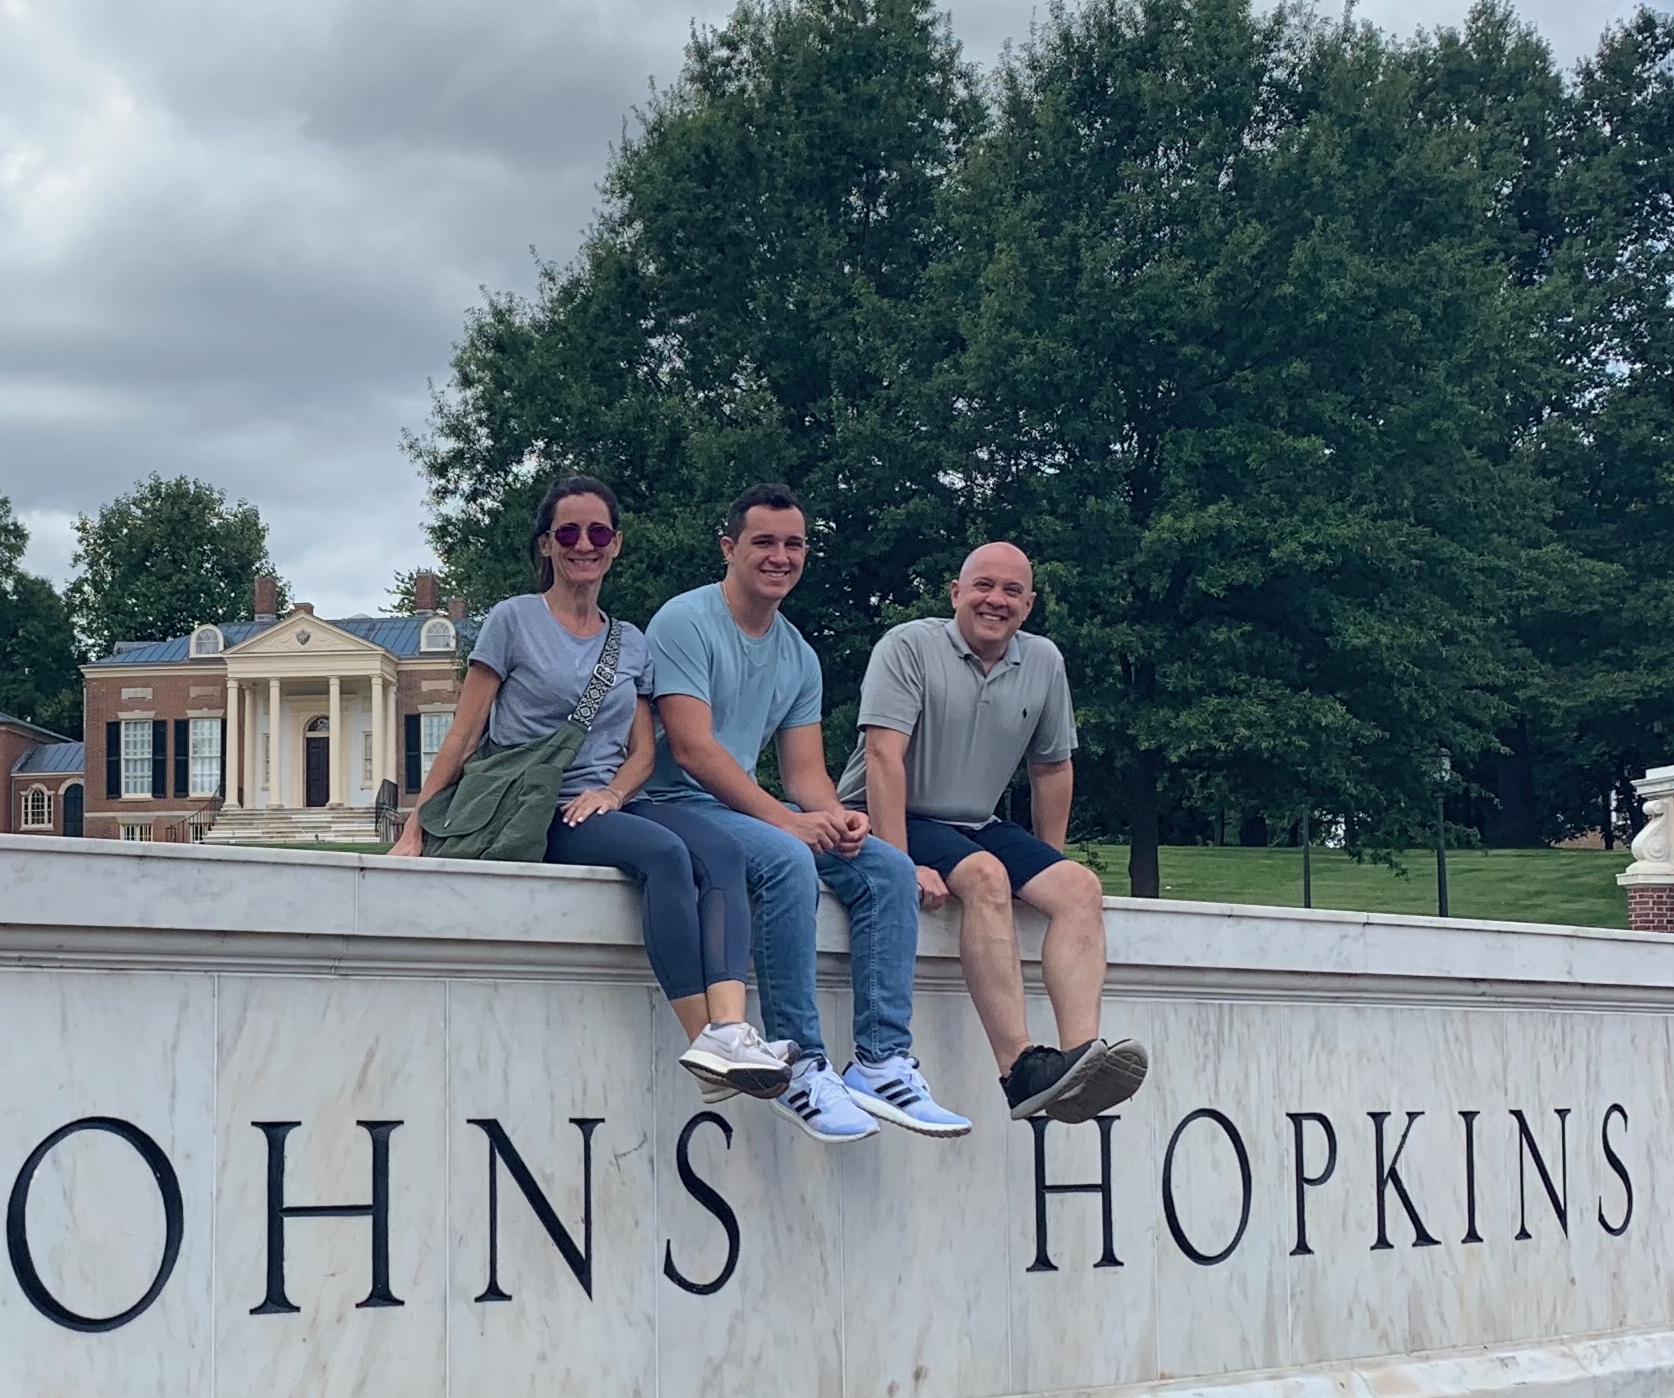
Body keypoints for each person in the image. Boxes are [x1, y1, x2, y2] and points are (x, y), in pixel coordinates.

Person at [395, 477, 791, 1097]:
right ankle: (703, 1041)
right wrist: (416, 827)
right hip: (534, 805)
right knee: (664, 856)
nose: (584, 544)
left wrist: (613, 792)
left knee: (723, 853)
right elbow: (463, 735)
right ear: (548, 545)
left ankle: (732, 1031)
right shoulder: (513, 620)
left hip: (605, 804)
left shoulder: (629, 642)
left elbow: (643, 751)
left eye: (598, 532)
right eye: (568, 533)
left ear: (616, 545)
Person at [635, 484, 978, 1147]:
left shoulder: (798, 653)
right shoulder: (685, 620)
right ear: (729, 547)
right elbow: (693, 748)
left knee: (884, 866)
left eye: (793, 544)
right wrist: (787, 823)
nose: (780, 556)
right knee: (787, 856)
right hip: (670, 804)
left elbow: (805, 776)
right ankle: (800, 1066)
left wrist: (838, 818)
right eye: (764, 541)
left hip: (743, 807)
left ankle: (880, 1062)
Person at [857, 540, 1150, 1123]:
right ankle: (1020, 1070)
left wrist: (1047, 863)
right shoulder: (909, 646)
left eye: (1012, 591)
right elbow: (883, 759)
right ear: (956, 593)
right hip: (900, 813)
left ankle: (1077, 1063)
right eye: (983, 586)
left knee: (1078, 889)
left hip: (978, 821)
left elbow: (1052, 767)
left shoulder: (1043, 661)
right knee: (986, 878)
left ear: (1030, 603)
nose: (996, 600)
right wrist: (897, 861)